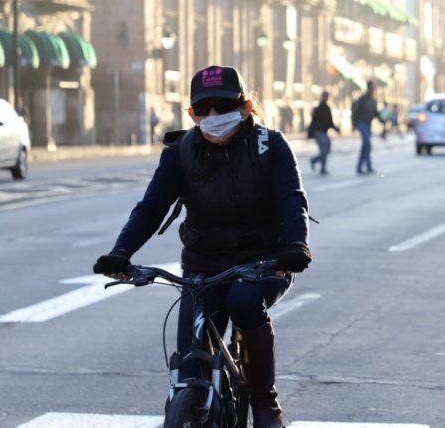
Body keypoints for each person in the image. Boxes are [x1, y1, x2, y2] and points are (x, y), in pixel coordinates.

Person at [93, 65, 312, 428]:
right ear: (192, 114)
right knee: (191, 363)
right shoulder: (181, 151)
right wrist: (121, 252)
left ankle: (264, 401)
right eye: (203, 109)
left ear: (244, 108)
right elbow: (151, 207)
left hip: (262, 261)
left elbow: (292, 200)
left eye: (222, 106)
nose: (213, 116)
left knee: (243, 301)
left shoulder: (270, 145)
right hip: (203, 265)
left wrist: (295, 246)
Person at [351, 80, 381, 175]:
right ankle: (365, 167)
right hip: (361, 123)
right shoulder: (362, 99)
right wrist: (354, 124)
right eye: (371, 87)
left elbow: (376, 114)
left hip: (368, 124)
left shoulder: (373, 101)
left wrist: (383, 120)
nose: (373, 89)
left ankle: (363, 167)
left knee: (366, 146)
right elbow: (355, 112)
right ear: (368, 88)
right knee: (367, 144)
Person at [308, 91, 340, 175]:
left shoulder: (327, 108)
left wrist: (336, 129)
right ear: (322, 97)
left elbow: (330, 121)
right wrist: (309, 133)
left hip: (324, 133)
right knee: (324, 151)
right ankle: (323, 168)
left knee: (327, 150)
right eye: (324, 96)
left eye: (327, 96)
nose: (326, 98)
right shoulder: (317, 108)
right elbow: (313, 122)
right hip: (318, 132)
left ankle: (314, 160)